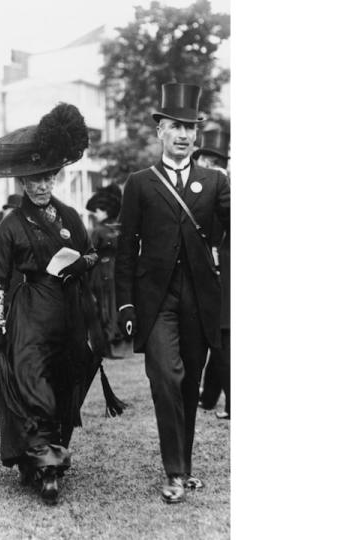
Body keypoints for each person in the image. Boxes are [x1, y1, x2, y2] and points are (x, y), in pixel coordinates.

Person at [0, 103, 126, 505]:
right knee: (32, 382)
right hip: (29, 312)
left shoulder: (69, 216)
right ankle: (45, 463)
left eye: (47, 176)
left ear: (55, 176)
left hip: (68, 311)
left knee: (64, 384)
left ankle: (47, 453)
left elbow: (91, 255)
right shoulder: (11, 225)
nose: (41, 185)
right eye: (33, 179)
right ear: (21, 182)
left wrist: (82, 262)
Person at [114, 83, 230, 504]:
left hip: (201, 298)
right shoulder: (141, 183)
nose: (183, 135)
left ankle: (186, 465)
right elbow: (125, 248)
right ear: (160, 130)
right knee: (167, 376)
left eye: (190, 128)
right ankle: (174, 472)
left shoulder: (214, 182)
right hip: (156, 300)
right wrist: (125, 302)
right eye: (175, 127)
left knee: (189, 381)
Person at [194, 127, 231, 419]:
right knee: (219, 338)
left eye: (210, 160)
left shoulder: (220, 190)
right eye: (204, 159)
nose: (206, 165)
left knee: (222, 341)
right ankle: (208, 398)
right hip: (216, 272)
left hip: (223, 275)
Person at [85, 184, 124, 355]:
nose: (96, 213)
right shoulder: (120, 228)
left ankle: (106, 342)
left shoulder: (98, 231)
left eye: (98, 210)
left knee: (103, 305)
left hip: (101, 271)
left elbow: (90, 252)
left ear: (105, 211)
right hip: (117, 269)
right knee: (115, 303)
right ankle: (117, 339)